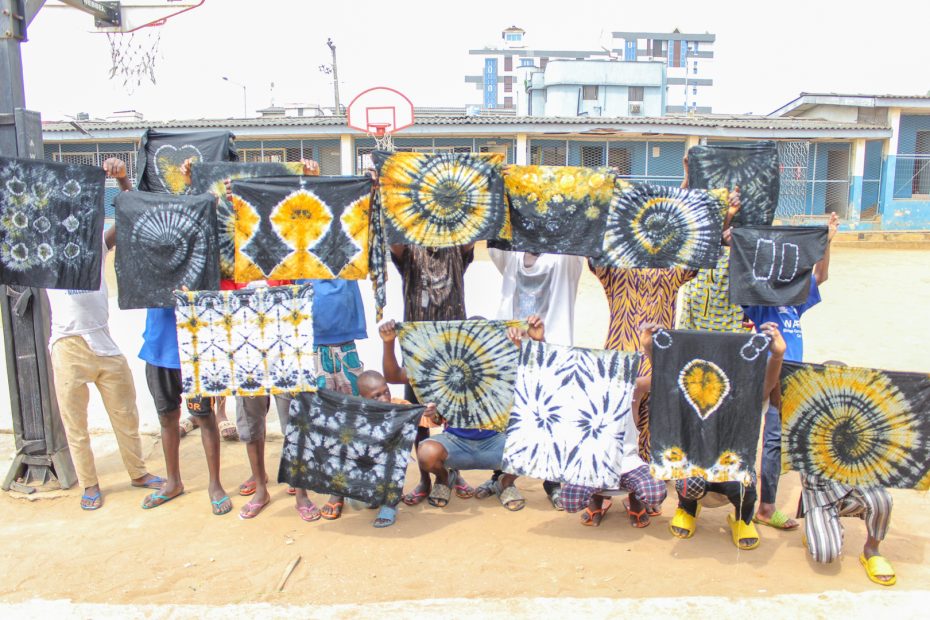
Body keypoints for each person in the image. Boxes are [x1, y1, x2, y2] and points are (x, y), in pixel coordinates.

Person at [47, 157, 164, 511]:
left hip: (102, 340)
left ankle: (138, 472)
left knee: (125, 413)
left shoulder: (94, 241)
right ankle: (89, 484)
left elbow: (129, 220)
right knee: (76, 424)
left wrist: (124, 182)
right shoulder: (44, 246)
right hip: (67, 344)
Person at [380, 317, 543, 511]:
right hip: (455, 443)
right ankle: (444, 478)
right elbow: (393, 376)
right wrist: (388, 342)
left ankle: (505, 482)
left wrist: (538, 341)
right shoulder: (444, 367)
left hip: (496, 443)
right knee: (426, 452)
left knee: (538, 444)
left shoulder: (503, 365)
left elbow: (543, 372)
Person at [742, 211, 840, 532]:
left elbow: (821, 276)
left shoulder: (794, 300)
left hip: (790, 377)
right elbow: (741, 278)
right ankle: (741, 502)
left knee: (774, 441)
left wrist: (826, 240)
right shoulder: (758, 300)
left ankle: (766, 507)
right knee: (748, 436)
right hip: (763, 375)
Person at [655, 320, 786, 550]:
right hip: (697, 476)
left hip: (730, 476)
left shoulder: (742, 398)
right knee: (688, 476)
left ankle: (742, 518)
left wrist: (777, 356)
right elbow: (664, 376)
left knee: (744, 481)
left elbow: (765, 386)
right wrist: (650, 347)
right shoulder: (689, 395)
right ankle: (687, 507)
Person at [488, 248, 584, 509]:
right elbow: (496, 237)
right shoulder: (513, 256)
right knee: (510, 414)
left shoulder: (564, 257)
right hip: (511, 348)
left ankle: (552, 480)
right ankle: (500, 475)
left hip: (552, 349)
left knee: (552, 416)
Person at [390, 240, 476, 506]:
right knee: (419, 417)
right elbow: (394, 241)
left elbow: (472, 231)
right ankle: (425, 480)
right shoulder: (409, 249)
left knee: (454, 413)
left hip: (453, 344)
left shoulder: (456, 246)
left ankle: (453, 473)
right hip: (417, 345)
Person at [796, 361, 895, 586]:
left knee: (882, 499)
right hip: (820, 496)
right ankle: (820, 529)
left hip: (855, 488)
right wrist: (779, 355)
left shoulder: (860, 416)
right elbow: (774, 397)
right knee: (825, 555)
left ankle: (872, 550)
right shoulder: (802, 417)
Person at [560, 374, 667, 527]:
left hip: (628, 464)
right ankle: (596, 502)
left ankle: (635, 502)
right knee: (569, 500)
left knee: (654, 492)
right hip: (592, 466)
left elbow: (659, 377)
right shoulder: (577, 392)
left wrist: (650, 349)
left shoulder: (628, 388)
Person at [353, 370, 437, 528]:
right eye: (376, 396)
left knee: (393, 460)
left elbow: (425, 419)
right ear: (362, 399)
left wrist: (429, 412)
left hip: (393, 463)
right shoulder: (358, 413)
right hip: (369, 462)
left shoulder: (400, 406)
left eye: (386, 391)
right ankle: (372, 494)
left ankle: (389, 505)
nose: (384, 398)